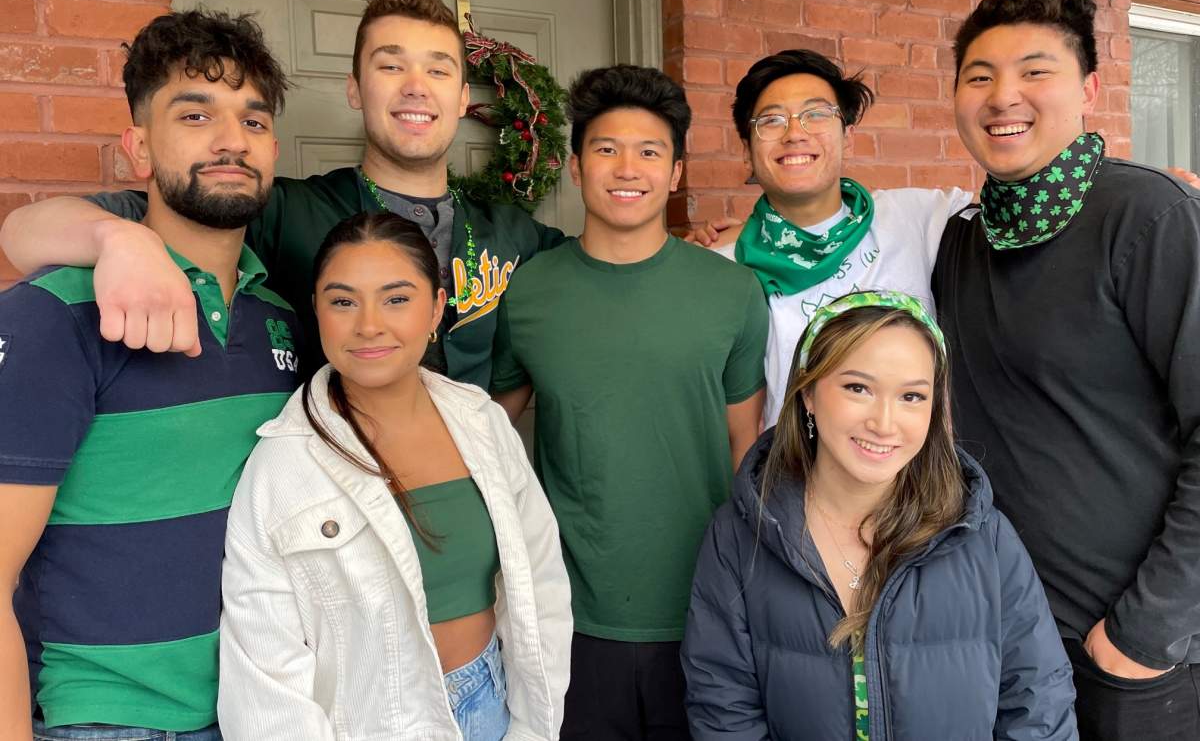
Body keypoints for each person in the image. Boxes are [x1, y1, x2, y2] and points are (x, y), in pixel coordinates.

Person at [0, 0, 564, 387]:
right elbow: (24, 232)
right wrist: (118, 241)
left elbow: (605, 269)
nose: (417, 88)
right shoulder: (281, 207)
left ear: (463, 99)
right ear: (354, 89)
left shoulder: (511, 231)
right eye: (391, 67)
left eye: (439, 71)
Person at [0, 10, 300, 740]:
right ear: (138, 148)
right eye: (195, 114)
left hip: (267, 707)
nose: (232, 139)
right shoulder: (58, 313)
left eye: (253, 122)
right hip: (107, 721)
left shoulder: (279, 315)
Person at [932, 0, 1200, 740]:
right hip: (1011, 641)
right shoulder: (965, 237)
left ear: (1088, 88)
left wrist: (1142, 635)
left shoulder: (1147, 217)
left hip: (1130, 656)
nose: (1002, 95)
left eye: (1034, 71)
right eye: (979, 75)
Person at [490, 64, 769, 739]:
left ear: (675, 173)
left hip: (703, 610)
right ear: (578, 166)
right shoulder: (529, 293)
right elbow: (489, 436)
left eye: (650, 152)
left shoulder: (731, 293)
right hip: (571, 615)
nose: (627, 168)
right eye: (606, 148)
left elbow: (745, 448)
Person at [218, 211, 571, 740]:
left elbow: (540, 583)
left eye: (397, 298)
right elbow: (266, 680)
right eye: (343, 301)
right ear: (316, 310)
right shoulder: (283, 463)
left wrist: (531, 728)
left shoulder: (481, 421)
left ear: (436, 309)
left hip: (491, 703)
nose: (368, 325)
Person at [682, 291, 1078, 740]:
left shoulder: (982, 536)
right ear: (808, 393)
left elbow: (1038, 704)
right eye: (858, 388)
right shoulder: (740, 535)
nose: (885, 423)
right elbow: (724, 713)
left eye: (912, 396)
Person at [703, 50, 972, 428]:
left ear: (849, 137)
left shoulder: (914, 216)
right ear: (747, 152)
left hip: (912, 478)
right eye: (772, 120)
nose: (795, 133)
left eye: (816, 115)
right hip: (787, 480)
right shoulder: (722, 266)